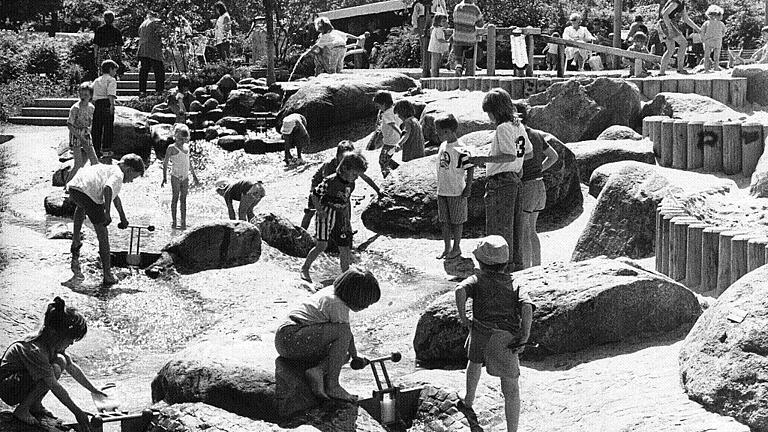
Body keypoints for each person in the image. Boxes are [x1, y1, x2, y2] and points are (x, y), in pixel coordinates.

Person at [455, 236, 534, 432]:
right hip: (505, 338)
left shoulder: (476, 279)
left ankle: (468, 400)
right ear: (506, 263)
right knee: (511, 388)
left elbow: (459, 290)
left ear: (480, 262)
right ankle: (512, 430)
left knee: (474, 363)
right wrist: (524, 336)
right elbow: (527, 308)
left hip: (480, 330)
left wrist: (464, 317)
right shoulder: (515, 282)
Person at [0, 297, 106, 432]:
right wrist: (77, 412)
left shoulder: (51, 344)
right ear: (54, 333)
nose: (72, 343)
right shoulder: (35, 350)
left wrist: (93, 390)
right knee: (52, 371)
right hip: (9, 387)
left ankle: (35, 405)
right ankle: (23, 409)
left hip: (20, 382)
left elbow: (72, 368)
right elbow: (55, 386)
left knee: (61, 361)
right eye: (70, 339)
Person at [275, 267, 380, 401]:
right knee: (343, 335)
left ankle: (317, 371)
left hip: (289, 340)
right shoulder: (336, 303)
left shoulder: (334, 293)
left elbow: (344, 338)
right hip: (290, 337)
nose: (367, 307)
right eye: (366, 303)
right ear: (356, 297)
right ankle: (333, 386)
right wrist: (355, 354)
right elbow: (345, 333)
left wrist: (353, 355)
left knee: (342, 354)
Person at [468, 89, 532, 272]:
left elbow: (508, 155)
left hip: (501, 184)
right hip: (514, 180)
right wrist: (499, 164)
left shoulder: (503, 128)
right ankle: (514, 265)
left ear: (495, 110)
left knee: (498, 228)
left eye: (489, 113)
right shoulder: (518, 126)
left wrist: (483, 159)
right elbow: (528, 153)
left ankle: (498, 270)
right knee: (514, 227)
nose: (489, 117)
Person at [67, 154, 145, 285]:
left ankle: (76, 241)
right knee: (103, 235)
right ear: (128, 170)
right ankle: (108, 275)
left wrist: (123, 217)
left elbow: (115, 197)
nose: (131, 181)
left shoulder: (108, 168)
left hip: (74, 188)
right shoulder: (119, 174)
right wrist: (107, 213)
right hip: (88, 194)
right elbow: (108, 189)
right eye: (133, 177)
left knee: (81, 207)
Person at [300, 152, 368, 283]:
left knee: (345, 247)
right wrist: (319, 210)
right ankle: (305, 268)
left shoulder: (351, 184)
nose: (356, 178)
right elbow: (314, 194)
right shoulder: (330, 181)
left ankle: (345, 275)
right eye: (354, 174)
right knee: (321, 245)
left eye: (358, 175)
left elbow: (346, 201)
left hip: (341, 218)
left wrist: (347, 220)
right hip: (325, 215)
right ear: (344, 168)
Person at [513, 103, 559, 269]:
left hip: (527, 187)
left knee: (525, 231)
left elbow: (517, 160)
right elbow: (553, 156)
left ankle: (526, 268)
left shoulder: (520, 136)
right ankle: (537, 266)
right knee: (532, 230)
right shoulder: (538, 135)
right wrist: (540, 169)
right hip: (540, 186)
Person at [301, 141, 382, 230]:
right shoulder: (329, 164)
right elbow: (326, 184)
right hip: (320, 186)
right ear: (337, 155)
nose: (346, 159)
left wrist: (378, 190)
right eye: (343, 156)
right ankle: (302, 231)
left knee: (345, 202)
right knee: (310, 210)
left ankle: (347, 227)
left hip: (340, 186)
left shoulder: (351, 165)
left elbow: (365, 177)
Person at [435, 114, 474, 260]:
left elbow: (470, 168)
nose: (436, 133)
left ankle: (457, 247)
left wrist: (468, 187)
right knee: (444, 220)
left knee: (457, 221)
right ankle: (447, 247)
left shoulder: (461, 148)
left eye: (439, 131)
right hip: (443, 189)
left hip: (456, 190)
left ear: (448, 131)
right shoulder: (443, 146)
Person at [162, 124, 197, 230]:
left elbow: (189, 162)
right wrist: (164, 177)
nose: (182, 141)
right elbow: (165, 163)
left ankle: (183, 222)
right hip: (175, 176)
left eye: (185, 139)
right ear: (175, 136)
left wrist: (194, 176)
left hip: (185, 176)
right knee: (175, 198)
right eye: (180, 139)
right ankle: (174, 221)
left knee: (184, 200)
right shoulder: (171, 148)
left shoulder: (186, 147)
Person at [66, 82, 98, 185]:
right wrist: (79, 136)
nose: (83, 97)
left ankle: (95, 183)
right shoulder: (75, 108)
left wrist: (88, 134)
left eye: (86, 95)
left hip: (86, 133)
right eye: (81, 94)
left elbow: (91, 122)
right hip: (76, 134)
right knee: (78, 163)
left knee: (94, 161)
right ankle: (68, 184)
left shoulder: (91, 107)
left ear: (91, 96)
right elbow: (69, 124)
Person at [657, 0, 700, 75]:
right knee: (683, 43)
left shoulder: (681, 3)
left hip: (664, 24)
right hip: (667, 24)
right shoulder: (675, 2)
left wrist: (698, 29)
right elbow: (665, 14)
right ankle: (680, 69)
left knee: (671, 49)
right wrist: (670, 29)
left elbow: (686, 19)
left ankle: (662, 72)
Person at [91, 60, 118, 159]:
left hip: (97, 104)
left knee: (96, 127)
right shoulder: (111, 80)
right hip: (106, 103)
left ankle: (96, 149)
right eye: (114, 70)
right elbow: (110, 94)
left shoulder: (97, 80)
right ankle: (106, 149)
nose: (115, 73)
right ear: (110, 69)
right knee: (108, 127)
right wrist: (112, 105)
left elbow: (92, 93)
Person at [451, 0, 484, 77]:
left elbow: (454, 20)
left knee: (458, 57)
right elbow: (480, 24)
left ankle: (458, 68)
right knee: (469, 57)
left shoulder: (457, 7)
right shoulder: (475, 9)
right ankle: (468, 75)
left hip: (458, 36)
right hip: (469, 38)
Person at [373, 91, 401, 177]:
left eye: (378, 106)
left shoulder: (386, 114)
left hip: (389, 142)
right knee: (388, 158)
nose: (378, 109)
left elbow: (393, 125)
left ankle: (388, 177)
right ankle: (397, 169)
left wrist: (401, 133)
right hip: (395, 140)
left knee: (382, 160)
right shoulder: (395, 110)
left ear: (384, 104)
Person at [138, 10, 165, 96]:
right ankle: (159, 91)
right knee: (159, 71)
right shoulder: (156, 22)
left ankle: (142, 91)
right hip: (153, 50)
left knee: (144, 71)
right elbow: (163, 33)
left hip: (143, 49)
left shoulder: (143, 24)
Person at [92, 11, 123, 77]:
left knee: (102, 73)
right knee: (112, 73)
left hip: (101, 53)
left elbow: (96, 45)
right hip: (113, 53)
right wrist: (120, 58)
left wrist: (95, 57)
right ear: (113, 19)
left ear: (104, 19)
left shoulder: (99, 30)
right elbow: (119, 47)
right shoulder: (116, 31)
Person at [701, 5, 726, 72]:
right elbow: (724, 32)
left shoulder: (707, 23)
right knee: (711, 56)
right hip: (715, 41)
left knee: (710, 56)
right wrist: (720, 36)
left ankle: (712, 68)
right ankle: (710, 68)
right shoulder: (720, 23)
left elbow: (702, 32)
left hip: (710, 41)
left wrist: (703, 38)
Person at [411, 0, 433, 77]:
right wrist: (415, 26)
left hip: (433, 20)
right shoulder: (418, 3)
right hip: (422, 21)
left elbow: (441, 10)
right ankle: (425, 67)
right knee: (424, 45)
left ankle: (432, 67)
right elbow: (414, 15)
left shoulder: (436, 1)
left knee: (433, 46)